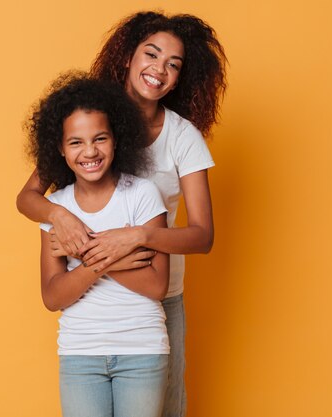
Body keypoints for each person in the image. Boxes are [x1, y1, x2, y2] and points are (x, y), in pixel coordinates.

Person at [17, 11, 228, 417]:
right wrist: (59, 216)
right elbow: (27, 198)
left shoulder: (183, 137)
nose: (159, 69)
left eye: (174, 64)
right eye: (151, 54)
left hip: (158, 293)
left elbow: (202, 235)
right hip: (93, 314)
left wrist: (136, 237)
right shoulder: (93, 120)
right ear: (127, 57)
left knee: (167, 409)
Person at [28, 72, 171, 417]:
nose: (89, 151)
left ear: (116, 140)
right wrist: (113, 257)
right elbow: (53, 297)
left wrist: (83, 251)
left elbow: (156, 284)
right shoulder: (58, 210)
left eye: (100, 138)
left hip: (142, 349)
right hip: (80, 353)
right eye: (75, 142)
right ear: (59, 149)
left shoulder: (142, 195)